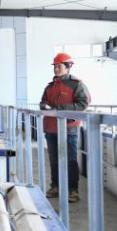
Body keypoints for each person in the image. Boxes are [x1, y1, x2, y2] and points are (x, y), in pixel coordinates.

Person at [39, 53, 91, 203]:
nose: (56, 69)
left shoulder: (76, 85)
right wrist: (43, 105)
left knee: (70, 160)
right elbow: (43, 102)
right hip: (50, 128)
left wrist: (58, 108)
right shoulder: (49, 87)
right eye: (55, 66)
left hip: (68, 128)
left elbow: (83, 103)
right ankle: (55, 186)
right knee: (54, 159)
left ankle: (73, 190)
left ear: (68, 67)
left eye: (59, 66)